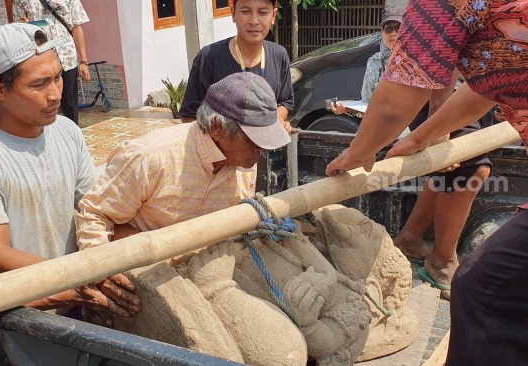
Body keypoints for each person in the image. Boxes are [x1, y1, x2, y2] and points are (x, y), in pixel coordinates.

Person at [323, 0, 528, 364]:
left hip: (412, 120)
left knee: (482, 288)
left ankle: (435, 253)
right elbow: (485, 85)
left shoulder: (443, 4)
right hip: (418, 125)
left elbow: (392, 105)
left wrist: (358, 154)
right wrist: (421, 136)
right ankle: (417, 242)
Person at [0, 23, 139, 325]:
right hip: (26, 317)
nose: (54, 94)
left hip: (78, 297)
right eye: (39, 85)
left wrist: (103, 264)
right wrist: (78, 277)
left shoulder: (66, 131)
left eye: (57, 78)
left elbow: (93, 210)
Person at [332, 7, 493, 301]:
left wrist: (433, 129)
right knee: (471, 169)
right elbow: (391, 106)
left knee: (460, 167)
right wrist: (360, 152)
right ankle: (441, 260)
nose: (394, 34)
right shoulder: (440, 11)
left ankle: (409, 239)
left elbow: (461, 74)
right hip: (438, 96)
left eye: (399, 28)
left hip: (471, 90)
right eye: (389, 29)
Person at [76, 72, 290, 247]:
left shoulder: (243, 162)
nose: (261, 149)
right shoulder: (150, 158)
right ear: (217, 128)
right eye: (254, 139)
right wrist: (105, 277)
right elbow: (94, 216)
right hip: (144, 270)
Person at [179, 0, 292, 132]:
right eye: (245, 11)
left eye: (262, 12)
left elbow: (285, 102)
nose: (254, 21)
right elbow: (189, 116)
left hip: (268, 148)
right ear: (233, 13)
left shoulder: (279, 55)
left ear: (273, 16)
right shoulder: (209, 58)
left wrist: (274, 118)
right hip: (222, 151)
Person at [12, 0, 90, 125]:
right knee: (44, 102)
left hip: (67, 57)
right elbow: (18, 28)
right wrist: (23, 27)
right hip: (41, 59)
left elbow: (76, 27)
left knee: (70, 102)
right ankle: (49, 138)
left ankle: (72, 135)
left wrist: (84, 61)